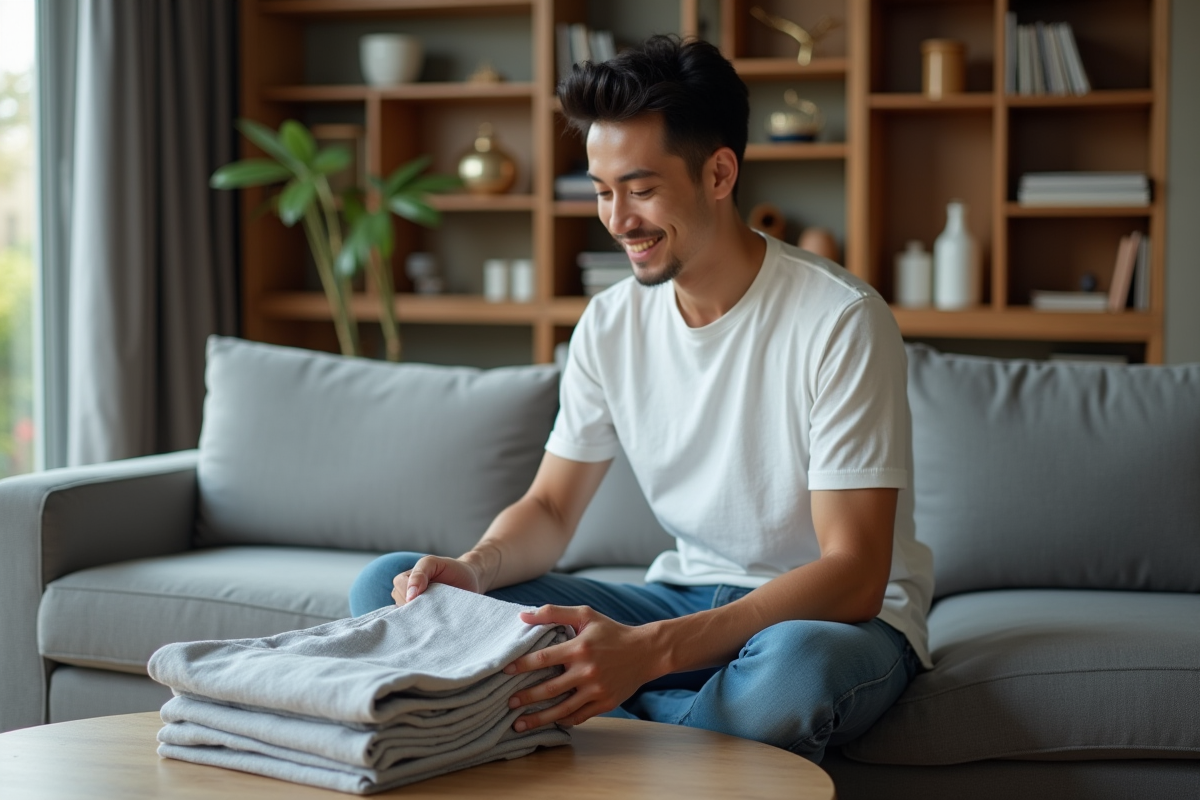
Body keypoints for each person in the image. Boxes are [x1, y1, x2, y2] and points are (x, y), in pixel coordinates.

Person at [349, 34, 933, 763]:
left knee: (791, 677)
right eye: (601, 190)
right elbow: (553, 509)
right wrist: (473, 567)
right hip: (682, 598)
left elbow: (853, 574)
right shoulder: (611, 321)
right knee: (391, 586)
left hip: (821, 624)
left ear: (719, 173)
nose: (618, 219)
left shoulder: (841, 319)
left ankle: (618, 719)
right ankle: (679, 724)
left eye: (642, 188)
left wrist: (648, 653)